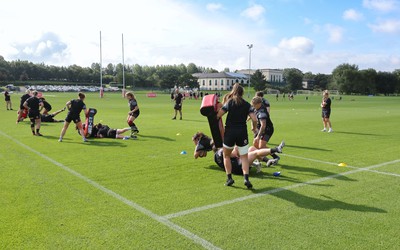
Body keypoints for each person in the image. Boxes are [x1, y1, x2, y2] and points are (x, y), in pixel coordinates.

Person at [216, 83, 257, 189]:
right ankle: (246, 179)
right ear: (242, 93)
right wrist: (254, 127)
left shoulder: (230, 102)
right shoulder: (247, 104)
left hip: (230, 132)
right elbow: (254, 119)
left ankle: (229, 178)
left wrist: (215, 114)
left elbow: (219, 114)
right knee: (244, 157)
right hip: (242, 133)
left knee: (226, 156)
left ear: (233, 91)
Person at [192, 132, 285, 175]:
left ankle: (267, 161)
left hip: (237, 165)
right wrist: (236, 147)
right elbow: (234, 155)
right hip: (240, 167)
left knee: (252, 148)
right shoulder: (222, 151)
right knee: (255, 152)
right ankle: (276, 149)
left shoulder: (216, 156)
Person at [251, 96, 282, 167]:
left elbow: (263, 125)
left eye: (254, 105)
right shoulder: (256, 108)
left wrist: (258, 136)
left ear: (259, 104)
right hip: (259, 129)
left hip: (267, 129)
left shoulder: (262, 113)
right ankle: (264, 160)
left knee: (261, 146)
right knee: (255, 145)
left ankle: (275, 156)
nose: (253, 106)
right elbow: (253, 114)